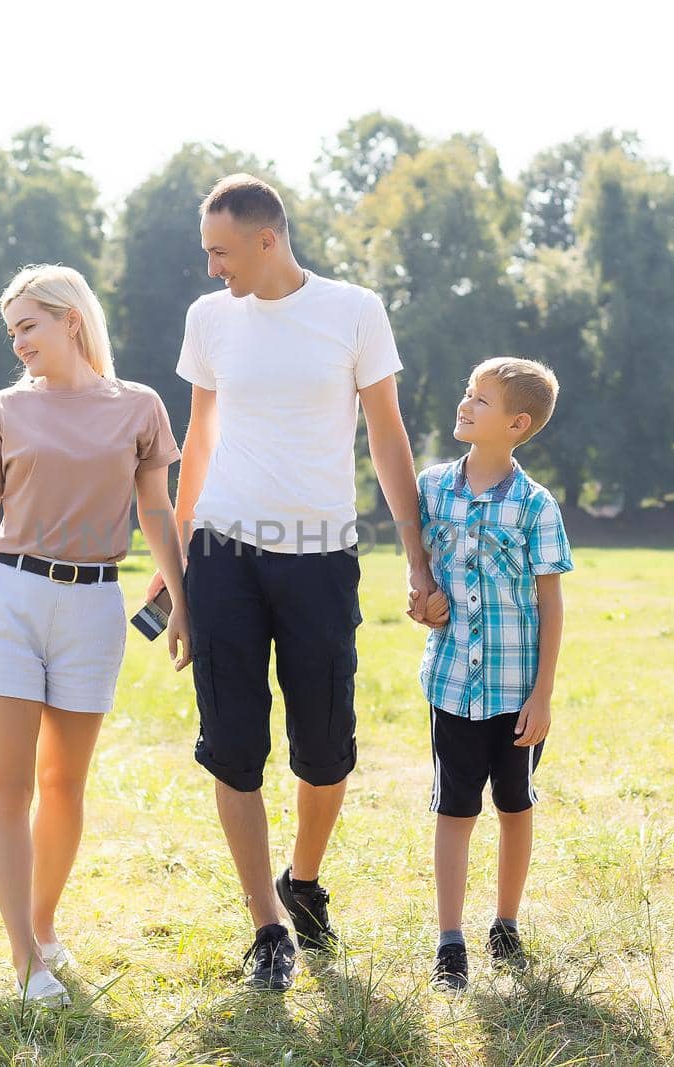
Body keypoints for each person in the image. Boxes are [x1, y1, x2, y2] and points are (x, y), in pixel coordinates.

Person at [148, 174, 445, 990]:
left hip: (319, 557)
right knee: (233, 747)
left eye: (220, 250)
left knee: (325, 750)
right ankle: (267, 928)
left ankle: (302, 878)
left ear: (266, 238)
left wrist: (416, 557)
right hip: (223, 557)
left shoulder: (353, 310)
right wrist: (175, 566)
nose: (212, 268)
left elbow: (387, 436)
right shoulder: (210, 320)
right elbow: (197, 438)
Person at [0, 264, 189, 1008]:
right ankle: (25, 958)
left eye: (29, 324)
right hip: (10, 598)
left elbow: (157, 510)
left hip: (93, 605)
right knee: (7, 785)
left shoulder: (140, 407)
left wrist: (184, 598)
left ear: (71, 321)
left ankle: (42, 923)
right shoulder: (3, 409)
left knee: (64, 784)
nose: (18, 340)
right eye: (14, 327)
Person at [417, 357, 572, 991]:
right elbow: (420, 571)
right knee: (454, 809)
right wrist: (420, 600)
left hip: (516, 692)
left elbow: (551, 600)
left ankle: (505, 923)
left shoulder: (536, 506)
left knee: (514, 805)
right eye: (467, 392)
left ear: (516, 423)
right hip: (452, 683)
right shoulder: (431, 488)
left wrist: (543, 694)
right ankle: (449, 939)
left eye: (481, 400)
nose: (465, 405)